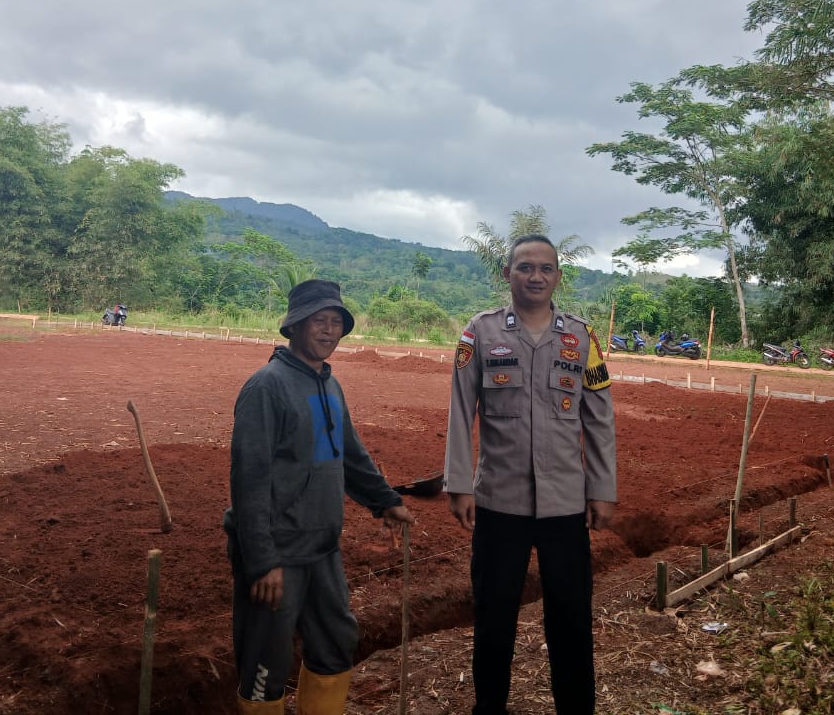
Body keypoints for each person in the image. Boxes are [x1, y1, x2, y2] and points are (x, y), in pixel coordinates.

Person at [224, 279, 415, 715]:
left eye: (336, 322)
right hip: (278, 554)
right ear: (294, 326)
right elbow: (249, 479)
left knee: (335, 644)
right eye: (318, 320)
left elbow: (347, 453)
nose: (328, 331)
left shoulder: (327, 385)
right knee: (265, 664)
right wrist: (262, 560)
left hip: (322, 548)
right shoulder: (266, 387)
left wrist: (385, 500)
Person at [444, 235, 617, 715]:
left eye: (545, 268)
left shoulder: (581, 338)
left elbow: (599, 418)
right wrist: (458, 484)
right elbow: (461, 411)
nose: (535, 276)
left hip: (566, 505)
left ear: (558, 275)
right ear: (507, 274)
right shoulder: (480, 332)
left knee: (571, 620)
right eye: (525, 268)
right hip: (500, 503)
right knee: (494, 618)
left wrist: (601, 489)